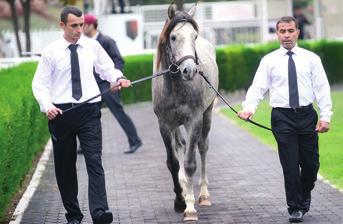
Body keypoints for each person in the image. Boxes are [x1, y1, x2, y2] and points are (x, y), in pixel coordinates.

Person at [32, 6, 132, 224]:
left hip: (89, 110)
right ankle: (73, 216)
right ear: (62, 26)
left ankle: (99, 212)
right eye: (74, 26)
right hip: (61, 113)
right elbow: (39, 84)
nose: (79, 30)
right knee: (65, 167)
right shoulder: (51, 52)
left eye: (81, 25)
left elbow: (107, 68)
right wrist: (47, 106)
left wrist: (118, 78)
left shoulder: (92, 46)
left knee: (94, 161)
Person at [238, 16, 332, 223]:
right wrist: (248, 109)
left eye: (290, 30)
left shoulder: (311, 59)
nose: (287, 35)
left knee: (311, 165)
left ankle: (304, 192)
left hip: (307, 116)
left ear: (298, 32)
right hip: (282, 117)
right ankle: (295, 208)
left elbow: (322, 89)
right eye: (282, 31)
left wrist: (325, 116)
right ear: (277, 34)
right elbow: (258, 88)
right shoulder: (269, 61)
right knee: (290, 165)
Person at [82, 13, 142, 154]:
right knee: (88, 115)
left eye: (84, 24)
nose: (81, 28)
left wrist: (114, 81)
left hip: (108, 85)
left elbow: (119, 61)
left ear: (92, 25)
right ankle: (83, 146)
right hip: (94, 86)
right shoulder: (85, 43)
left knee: (119, 113)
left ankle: (135, 141)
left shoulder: (107, 41)